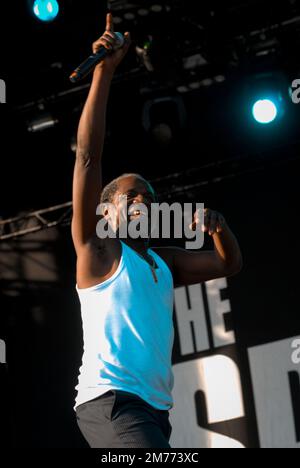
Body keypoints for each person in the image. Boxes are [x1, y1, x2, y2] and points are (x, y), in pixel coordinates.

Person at [72, 13, 243, 449]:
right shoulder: (101, 251)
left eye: (148, 194)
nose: (144, 201)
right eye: (131, 196)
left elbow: (228, 262)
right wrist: (105, 74)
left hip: (153, 411)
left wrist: (217, 227)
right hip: (112, 402)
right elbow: (89, 157)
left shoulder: (163, 262)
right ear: (107, 211)